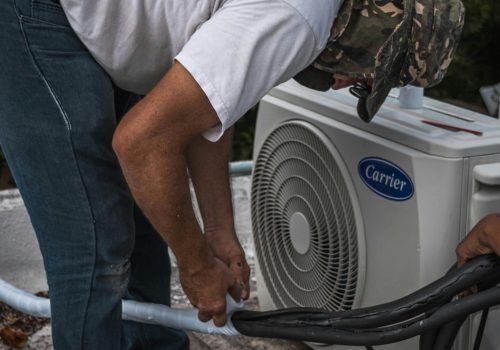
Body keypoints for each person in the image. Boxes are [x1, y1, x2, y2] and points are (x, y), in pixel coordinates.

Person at [0, 0, 342, 349]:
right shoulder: (298, 17)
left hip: (103, 17)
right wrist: (197, 267)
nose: (347, 87)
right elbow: (140, 144)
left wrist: (218, 231)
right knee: (93, 243)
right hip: (38, 11)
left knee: (149, 209)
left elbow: (204, 106)